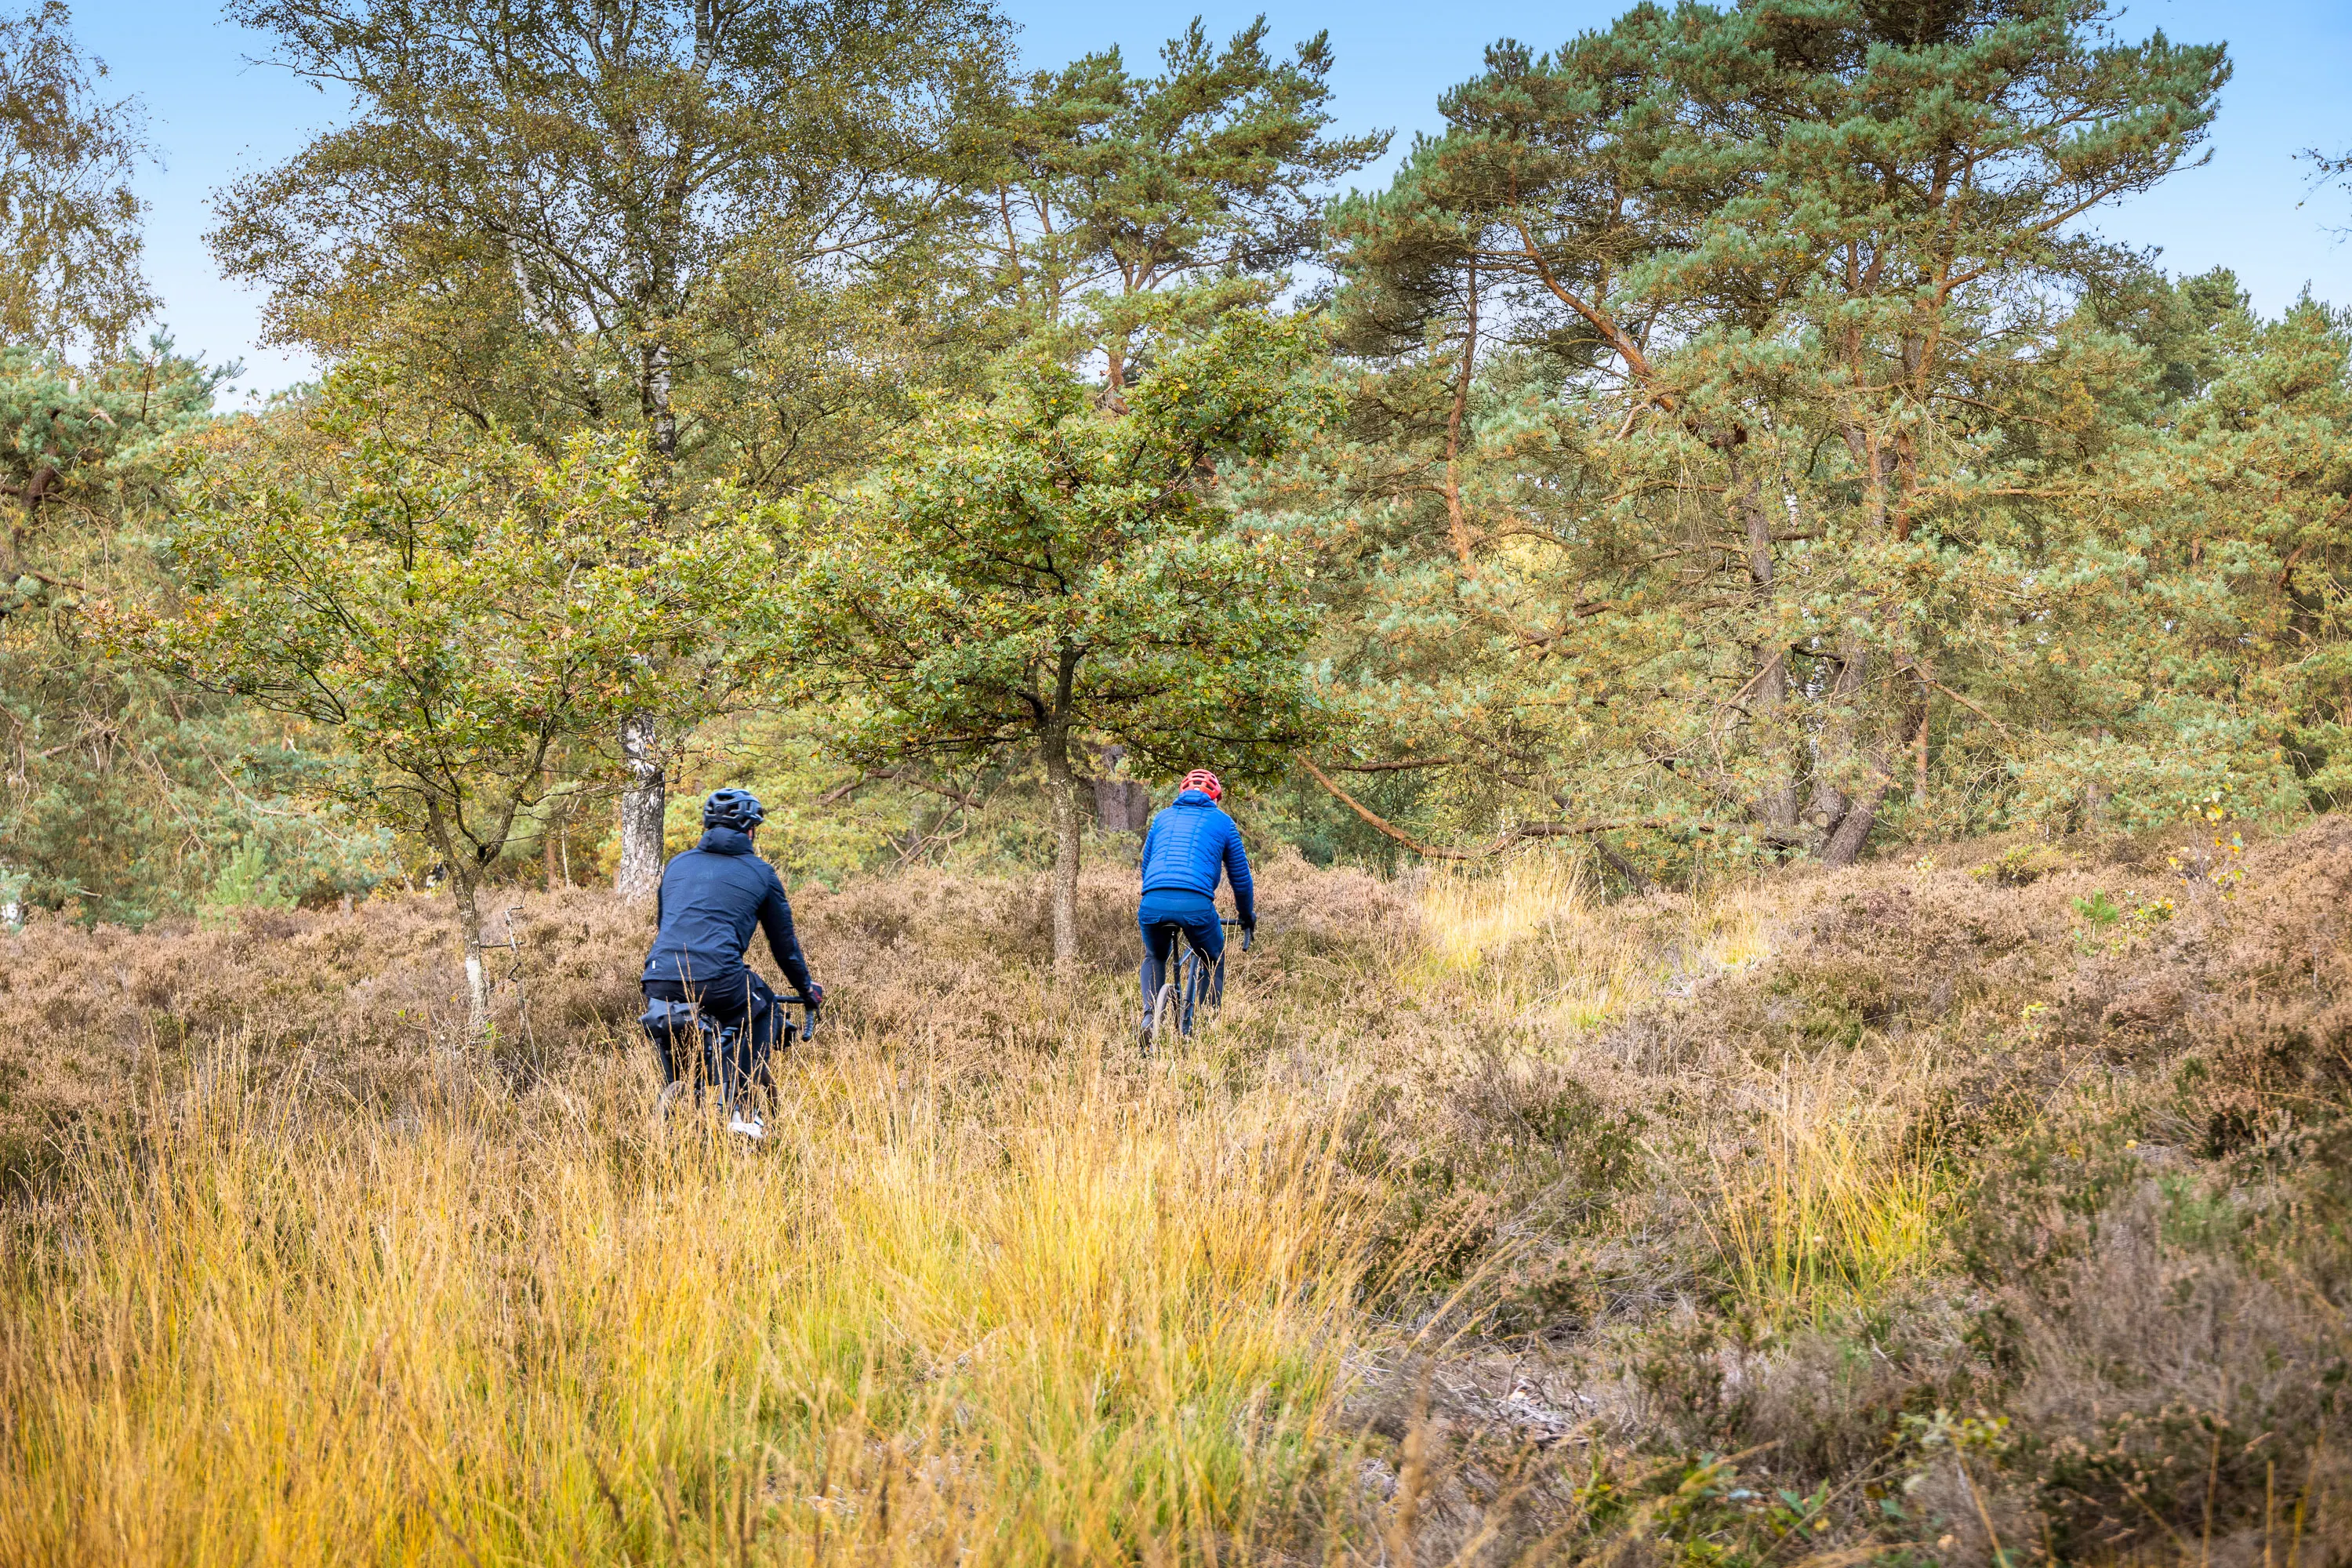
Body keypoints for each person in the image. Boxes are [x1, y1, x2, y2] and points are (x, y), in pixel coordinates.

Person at [640, 788, 822, 1139]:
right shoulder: (761, 873)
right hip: (719, 977)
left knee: (679, 1031)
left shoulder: (677, 864)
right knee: (762, 1003)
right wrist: (807, 990)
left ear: (707, 825)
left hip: (659, 975)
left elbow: (666, 924)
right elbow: (785, 949)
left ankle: (681, 1092)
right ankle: (742, 1110)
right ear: (750, 830)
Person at [1136, 768, 1254, 1037]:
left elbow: (1146, 867)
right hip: (1196, 906)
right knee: (1214, 958)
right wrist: (1246, 916)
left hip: (1152, 901)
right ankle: (1209, 1024)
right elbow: (1241, 880)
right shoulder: (1224, 823)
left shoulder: (1162, 818)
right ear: (1216, 798)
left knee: (1154, 955)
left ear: (1182, 793)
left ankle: (1149, 1016)